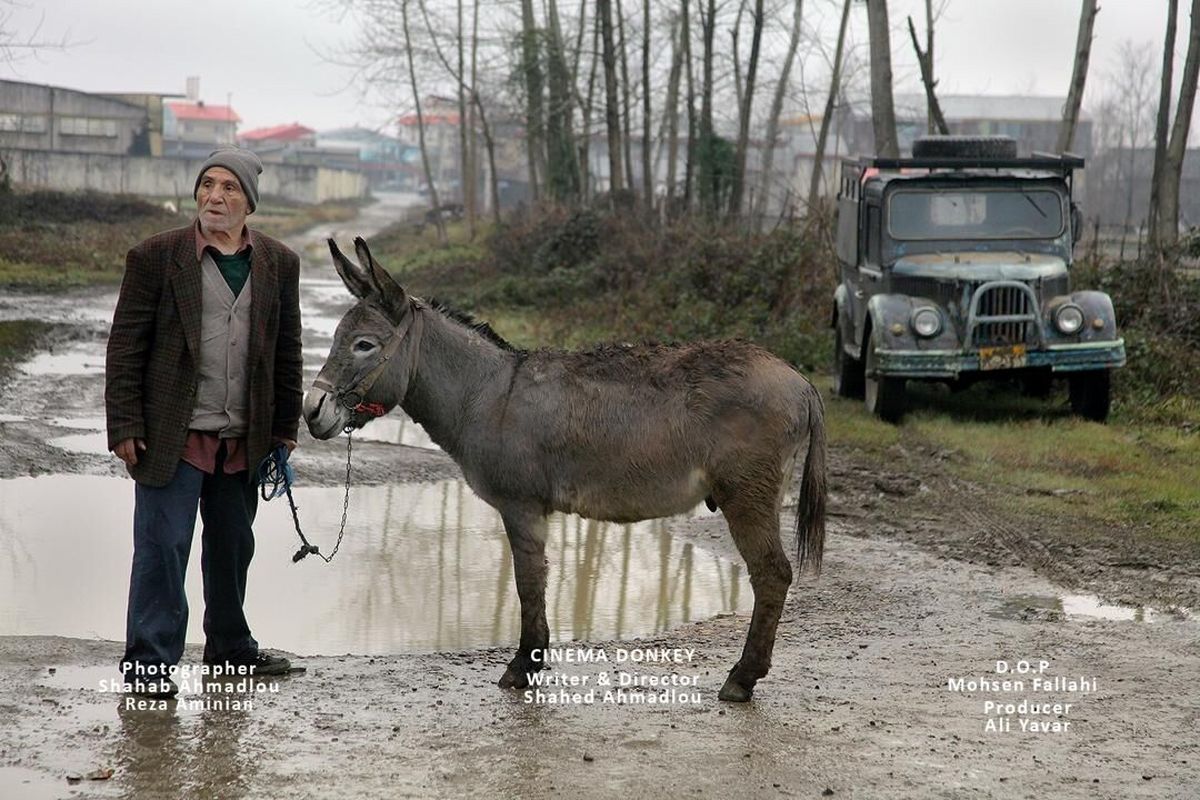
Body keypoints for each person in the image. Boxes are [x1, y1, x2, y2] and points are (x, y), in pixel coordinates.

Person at [105, 146, 303, 697]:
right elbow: (125, 348)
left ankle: (230, 652)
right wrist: (124, 424)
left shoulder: (279, 264)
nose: (214, 196)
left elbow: (286, 354)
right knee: (163, 548)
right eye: (207, 185)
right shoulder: (155, 257)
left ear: (249, 202)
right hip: (171, 434)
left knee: (232, 547)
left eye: (228, 188)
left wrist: (284, 431)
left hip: (244, 437)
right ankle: (150, 667)